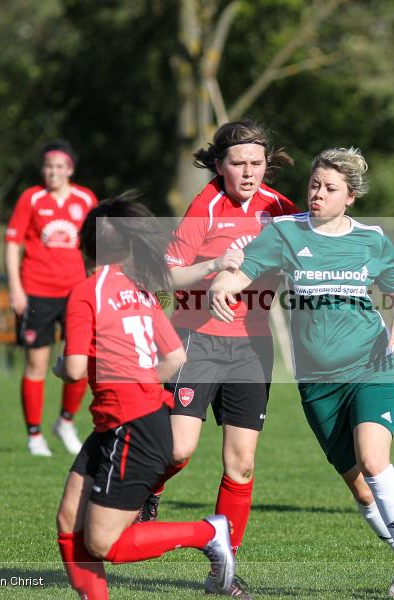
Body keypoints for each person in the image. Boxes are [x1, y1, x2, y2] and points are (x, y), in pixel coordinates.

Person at [208, 147, 394, 600]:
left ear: (349, 196)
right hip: (317, 383)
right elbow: (243, 270)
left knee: (373, 460)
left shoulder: (371, 239)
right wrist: (221, 285)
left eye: (330, 189)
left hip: (373, 367)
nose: (317, 194)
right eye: (314, 184)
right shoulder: (286, 233)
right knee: (361, 489)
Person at [53, 195, 236, 600]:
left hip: (130, 426)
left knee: (103, 543)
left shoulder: (86, 292)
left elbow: (75, 370)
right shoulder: (141, 290)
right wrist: (137, 385)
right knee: (69, 519)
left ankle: (207, 533)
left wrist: (61, 366)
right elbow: (174, 357)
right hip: (131, 419)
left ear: (86, 244)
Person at [144, 120, 298, 598]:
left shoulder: (281, 209)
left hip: (252, 348)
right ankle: (147, 487)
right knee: (178, 451)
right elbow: (168, 278)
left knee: (241, 465)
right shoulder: (205, 206)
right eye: (238, 164)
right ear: (219, 165)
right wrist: (212, 268)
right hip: (199, 342)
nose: (248, 172)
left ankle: (223, 572)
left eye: (257, 163)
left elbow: (304, 255)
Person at [5, 141, 97, 456]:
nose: (52, 172)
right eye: (48, 166)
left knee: (80, 361)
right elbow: (12, 243)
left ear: (70, 169)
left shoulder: (86, 199)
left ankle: (66, 422)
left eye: (59, 166)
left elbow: (96, 244)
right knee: (37, 364)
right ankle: (34, 435)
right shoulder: (31, 198)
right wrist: (16, 288)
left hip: (76, 292)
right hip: (37, 291)